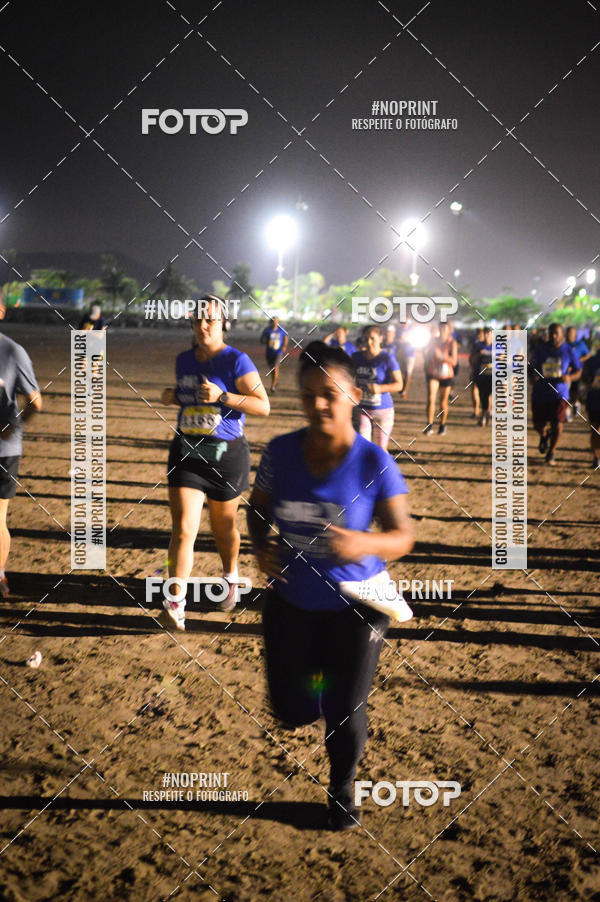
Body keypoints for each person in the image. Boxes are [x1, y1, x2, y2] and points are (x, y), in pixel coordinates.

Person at [247, 341, 414, 830]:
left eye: (330, 394)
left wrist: (363, 543)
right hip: (292, 600)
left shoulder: (373, 463)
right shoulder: (280, 451)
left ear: (354, 395)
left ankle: (342, 787)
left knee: (344, 707)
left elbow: (404, 536)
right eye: (309, 395)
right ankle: (317, 689)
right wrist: (260, 547)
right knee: (293, 708)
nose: (319, 404)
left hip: (356, 605)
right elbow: (257, 509)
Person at [160, 295, 270, 628]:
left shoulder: (237, 361)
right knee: (182, 530)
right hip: (187, 451)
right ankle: (175, 601)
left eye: (210, 319)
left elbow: (263, 406)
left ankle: (230, 576)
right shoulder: (184, 359)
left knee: (223, 529)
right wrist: (173, 396)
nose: (203, 325)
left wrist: (224, 397)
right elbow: (186, 397)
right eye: (198, 320)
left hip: (226, 456)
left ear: (223, 323)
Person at [0, 293, 43, 597]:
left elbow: (35, 401)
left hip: (3, 451)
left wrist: (14, 425)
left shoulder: (13, 352)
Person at [532, 323, 581, 466]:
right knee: (538, 424)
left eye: (556, 333)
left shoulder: (569, 351)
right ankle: (544, 435)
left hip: (559, 394)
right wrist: (533, 375)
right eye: (551, 333)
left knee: (557, 423)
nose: (553, 336)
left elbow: (578, 371)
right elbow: (532, 367)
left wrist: (570, 378)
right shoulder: (541, 350)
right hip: (540, 393)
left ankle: (551, 452)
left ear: (562, 336)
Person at [351, 325, 403, 450]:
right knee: (362, 448)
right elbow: (348, 377)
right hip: (361, 409)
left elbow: (399, 384)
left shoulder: (387, 359)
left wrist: (380, 388)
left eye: (372, 338)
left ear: (380, 338)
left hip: (382, 411)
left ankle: (382, 469)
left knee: (380, 449)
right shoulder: (356, 357)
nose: (369, 342)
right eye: (366, 339)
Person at [424, 322, 458, 435]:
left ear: (449, 330)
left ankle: (442, 425)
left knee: (443, 402)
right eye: (441, 329)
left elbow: (454, 361)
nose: (442, 331)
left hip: (446, 375)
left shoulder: (452, 343)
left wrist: (442, 356)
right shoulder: (433, 341)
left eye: (445, 329)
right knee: (431, 399)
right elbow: (426, 353)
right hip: (433, 373)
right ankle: (429, 425)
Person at [566, 326, 592, 420]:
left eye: (571, 332)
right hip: (566, 372)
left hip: (577, 372)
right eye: (568, 332)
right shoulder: (564, 344)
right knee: (567, 392)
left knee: (575, 390)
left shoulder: (580, 344)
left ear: (575, 334)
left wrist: (578, 360)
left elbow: (588, 355)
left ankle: (576, 405)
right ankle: (568, 410)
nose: (569, 334)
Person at [470, 327, 493, 425]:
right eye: (486, 334)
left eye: (489, 334)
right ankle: (484, 414)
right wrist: (479, 354)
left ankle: (489, 412)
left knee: (491, 394)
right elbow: (472, 359)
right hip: (481, 376)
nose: (487, 336)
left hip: (494, 375)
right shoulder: (478, 346)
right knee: (483, 395)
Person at [582, 348, 600, 468]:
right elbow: (584, 378)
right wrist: (591, 382)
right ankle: (597, 458)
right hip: (595, 400)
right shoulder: (592, 361)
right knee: (595, 430)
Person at [260, 316, 288, 394]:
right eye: (274, 321)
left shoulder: (281, 330)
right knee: (272, 369)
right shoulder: (267, 330)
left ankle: (273, 386)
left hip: (278, 352)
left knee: (275, 368)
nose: (275, 322)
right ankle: (275, 382)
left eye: (277, 321)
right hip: (269, 352)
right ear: (271, 322)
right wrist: (266, 341)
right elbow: (262, 340)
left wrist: (284, 346)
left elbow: (286, 337)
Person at [469, 327, 485, 418]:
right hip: (475, 371)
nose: (479, 335)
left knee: (485, 393)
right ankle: (476, 410)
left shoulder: (489, 345)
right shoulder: (475, 345)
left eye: (481, 334)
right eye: (478, 333)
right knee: (474, 390)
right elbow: (471, 358)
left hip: (486, 372)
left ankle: (486, 411)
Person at [397, 323, 416, 399]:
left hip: (410, 354)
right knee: (401, 372)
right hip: (401, 354)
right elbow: (397, 341)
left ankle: (405, 390)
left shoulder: (412, 331)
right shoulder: (399, 330)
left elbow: (416, 341)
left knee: (408, 373)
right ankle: (402, 386)